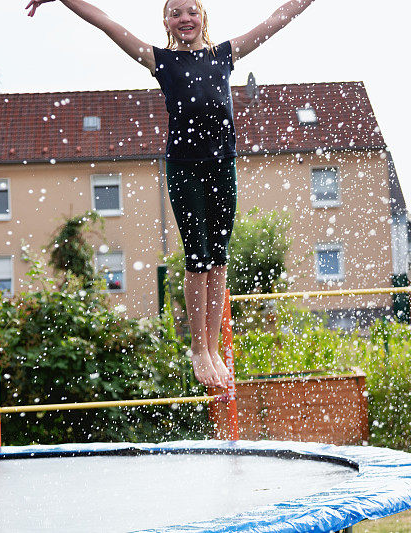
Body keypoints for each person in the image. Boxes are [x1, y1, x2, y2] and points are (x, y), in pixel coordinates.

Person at [25, 0, 316, 389]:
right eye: (176, 12)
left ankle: (212, 348)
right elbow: (106, 23)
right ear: (167, 21)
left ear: (203, 17)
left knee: (218, 260)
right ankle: (198, 348)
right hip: (185, 169)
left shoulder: (224, 56)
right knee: (197, 258)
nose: (185, 19)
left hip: (221, 167)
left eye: (191, 11)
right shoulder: (160, 60)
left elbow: (276, 19)